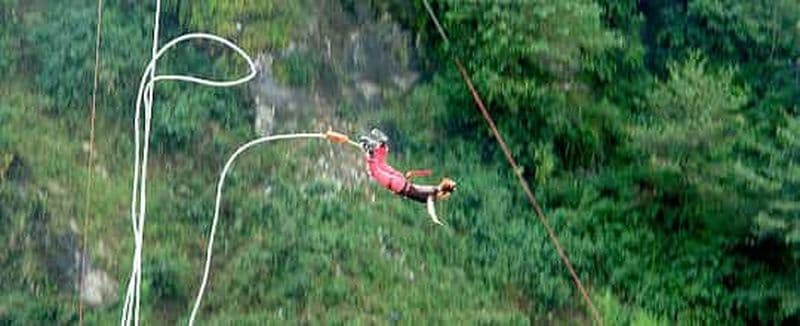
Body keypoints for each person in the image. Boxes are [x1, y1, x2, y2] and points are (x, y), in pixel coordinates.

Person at [359, 129, 456, 224]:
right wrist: (434, 218)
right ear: (445, 193)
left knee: (381, 164)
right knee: (375, 172)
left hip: (402, 180)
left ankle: (382, 145)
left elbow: (414, 185)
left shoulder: (433, 188)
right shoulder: (433, 194)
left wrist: (419, 173)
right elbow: (430, 206)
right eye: (447, 196)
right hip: (398, 185)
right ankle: (371, 152)